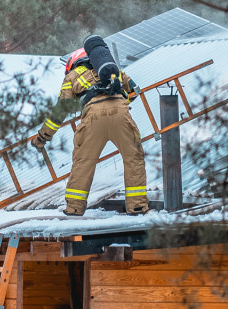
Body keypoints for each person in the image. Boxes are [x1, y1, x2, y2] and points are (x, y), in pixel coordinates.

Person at [31, 34, 149, 215]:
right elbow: (134, 91)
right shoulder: (113, 70)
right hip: (120, 114)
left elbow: (59, 113)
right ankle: (138, 206)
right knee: (133, 159)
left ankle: (74, 208)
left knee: (83, 163)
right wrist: (121, 106)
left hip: (92, 118)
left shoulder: (72, 76)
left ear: (73, 63)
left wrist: (42, 137)